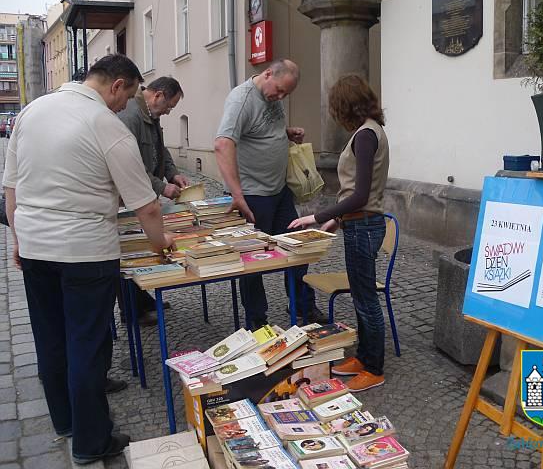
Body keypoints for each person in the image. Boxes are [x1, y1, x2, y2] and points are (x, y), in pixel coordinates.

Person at [2, 54, 175, 465]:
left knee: (50, 337)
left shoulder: (32, 111)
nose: (125, 105)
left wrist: (18, 238)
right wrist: (159, 243)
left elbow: (11, 189)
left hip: (35, 246)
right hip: (85, 252)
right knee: (87, 344)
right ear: (117, 85)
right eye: (128, 96)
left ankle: (65, 421)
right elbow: (146, 206)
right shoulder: (105, 124)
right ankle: (91, 441)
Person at [289, 74, 389, 392]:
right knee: (361, 296)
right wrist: (338, 221)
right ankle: (363, 356)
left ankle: (374, 367)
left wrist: (317, 217)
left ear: (346, 107)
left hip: (363, 224)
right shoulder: (370, 131)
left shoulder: (365, 135)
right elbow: (359, 196)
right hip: (357, 222)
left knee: (366, 300)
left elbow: (359, 196)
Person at [214, 59, 328, 329]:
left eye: (285, 94)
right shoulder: (241, 100)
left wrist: (285, 133)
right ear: (267, 74)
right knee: (252, 261)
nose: (280, 97)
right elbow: (222, 143)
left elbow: (261, 130)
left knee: (297, 249)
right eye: (278, 91)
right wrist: (237, 194)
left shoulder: (272, 94)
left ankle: (303, 305)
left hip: (279, 191)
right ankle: (257, 320)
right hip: (253, 196)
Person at [118, 76, 188, 324]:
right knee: (131, 248)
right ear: (157, 95)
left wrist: (172, 173)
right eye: (169, 106)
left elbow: (161, 149)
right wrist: (161, 186)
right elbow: (132, 165)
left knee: (141, 243)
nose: (169, 112)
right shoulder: (130, 115)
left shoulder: (150, 114)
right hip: (127, 196)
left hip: (143, 191)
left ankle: (143, 300)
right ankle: (132, 312)